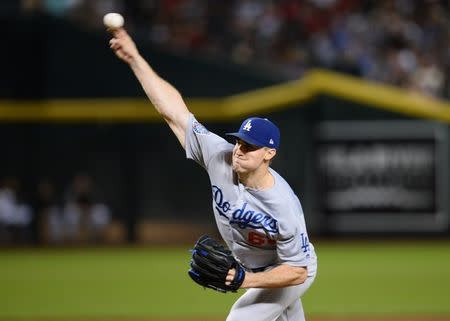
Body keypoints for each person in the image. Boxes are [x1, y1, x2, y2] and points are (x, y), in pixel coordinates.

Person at [108, 27, 317, 321]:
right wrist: (135, 59)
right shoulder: (220, 155)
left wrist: (244, 280)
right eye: (239, 141)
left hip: (290, 270)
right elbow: (174, 112)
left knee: (241, 317)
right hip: (259, 270)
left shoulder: (283, 205)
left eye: (250, 146)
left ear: (269, 154)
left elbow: (297, 271)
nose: (239, 150)